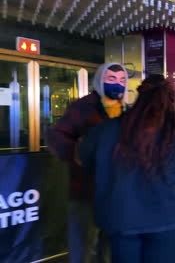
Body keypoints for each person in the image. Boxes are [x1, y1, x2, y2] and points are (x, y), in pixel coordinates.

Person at [79, 74, 175, 263]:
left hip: (120, 218)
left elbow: (84, 156)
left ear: (139, 97)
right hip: (166, 219)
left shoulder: (107, 129)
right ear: (170, 102)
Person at [47, 63, 128, 263]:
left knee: (109, 249)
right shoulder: (83, 107)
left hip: (115, 193)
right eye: (111, 79)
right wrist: (77, 152)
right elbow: (55, 137)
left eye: (122, 80)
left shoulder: (126, 111)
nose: (118, 84)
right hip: (85, 192)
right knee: (82, 248)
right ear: (100, 80)